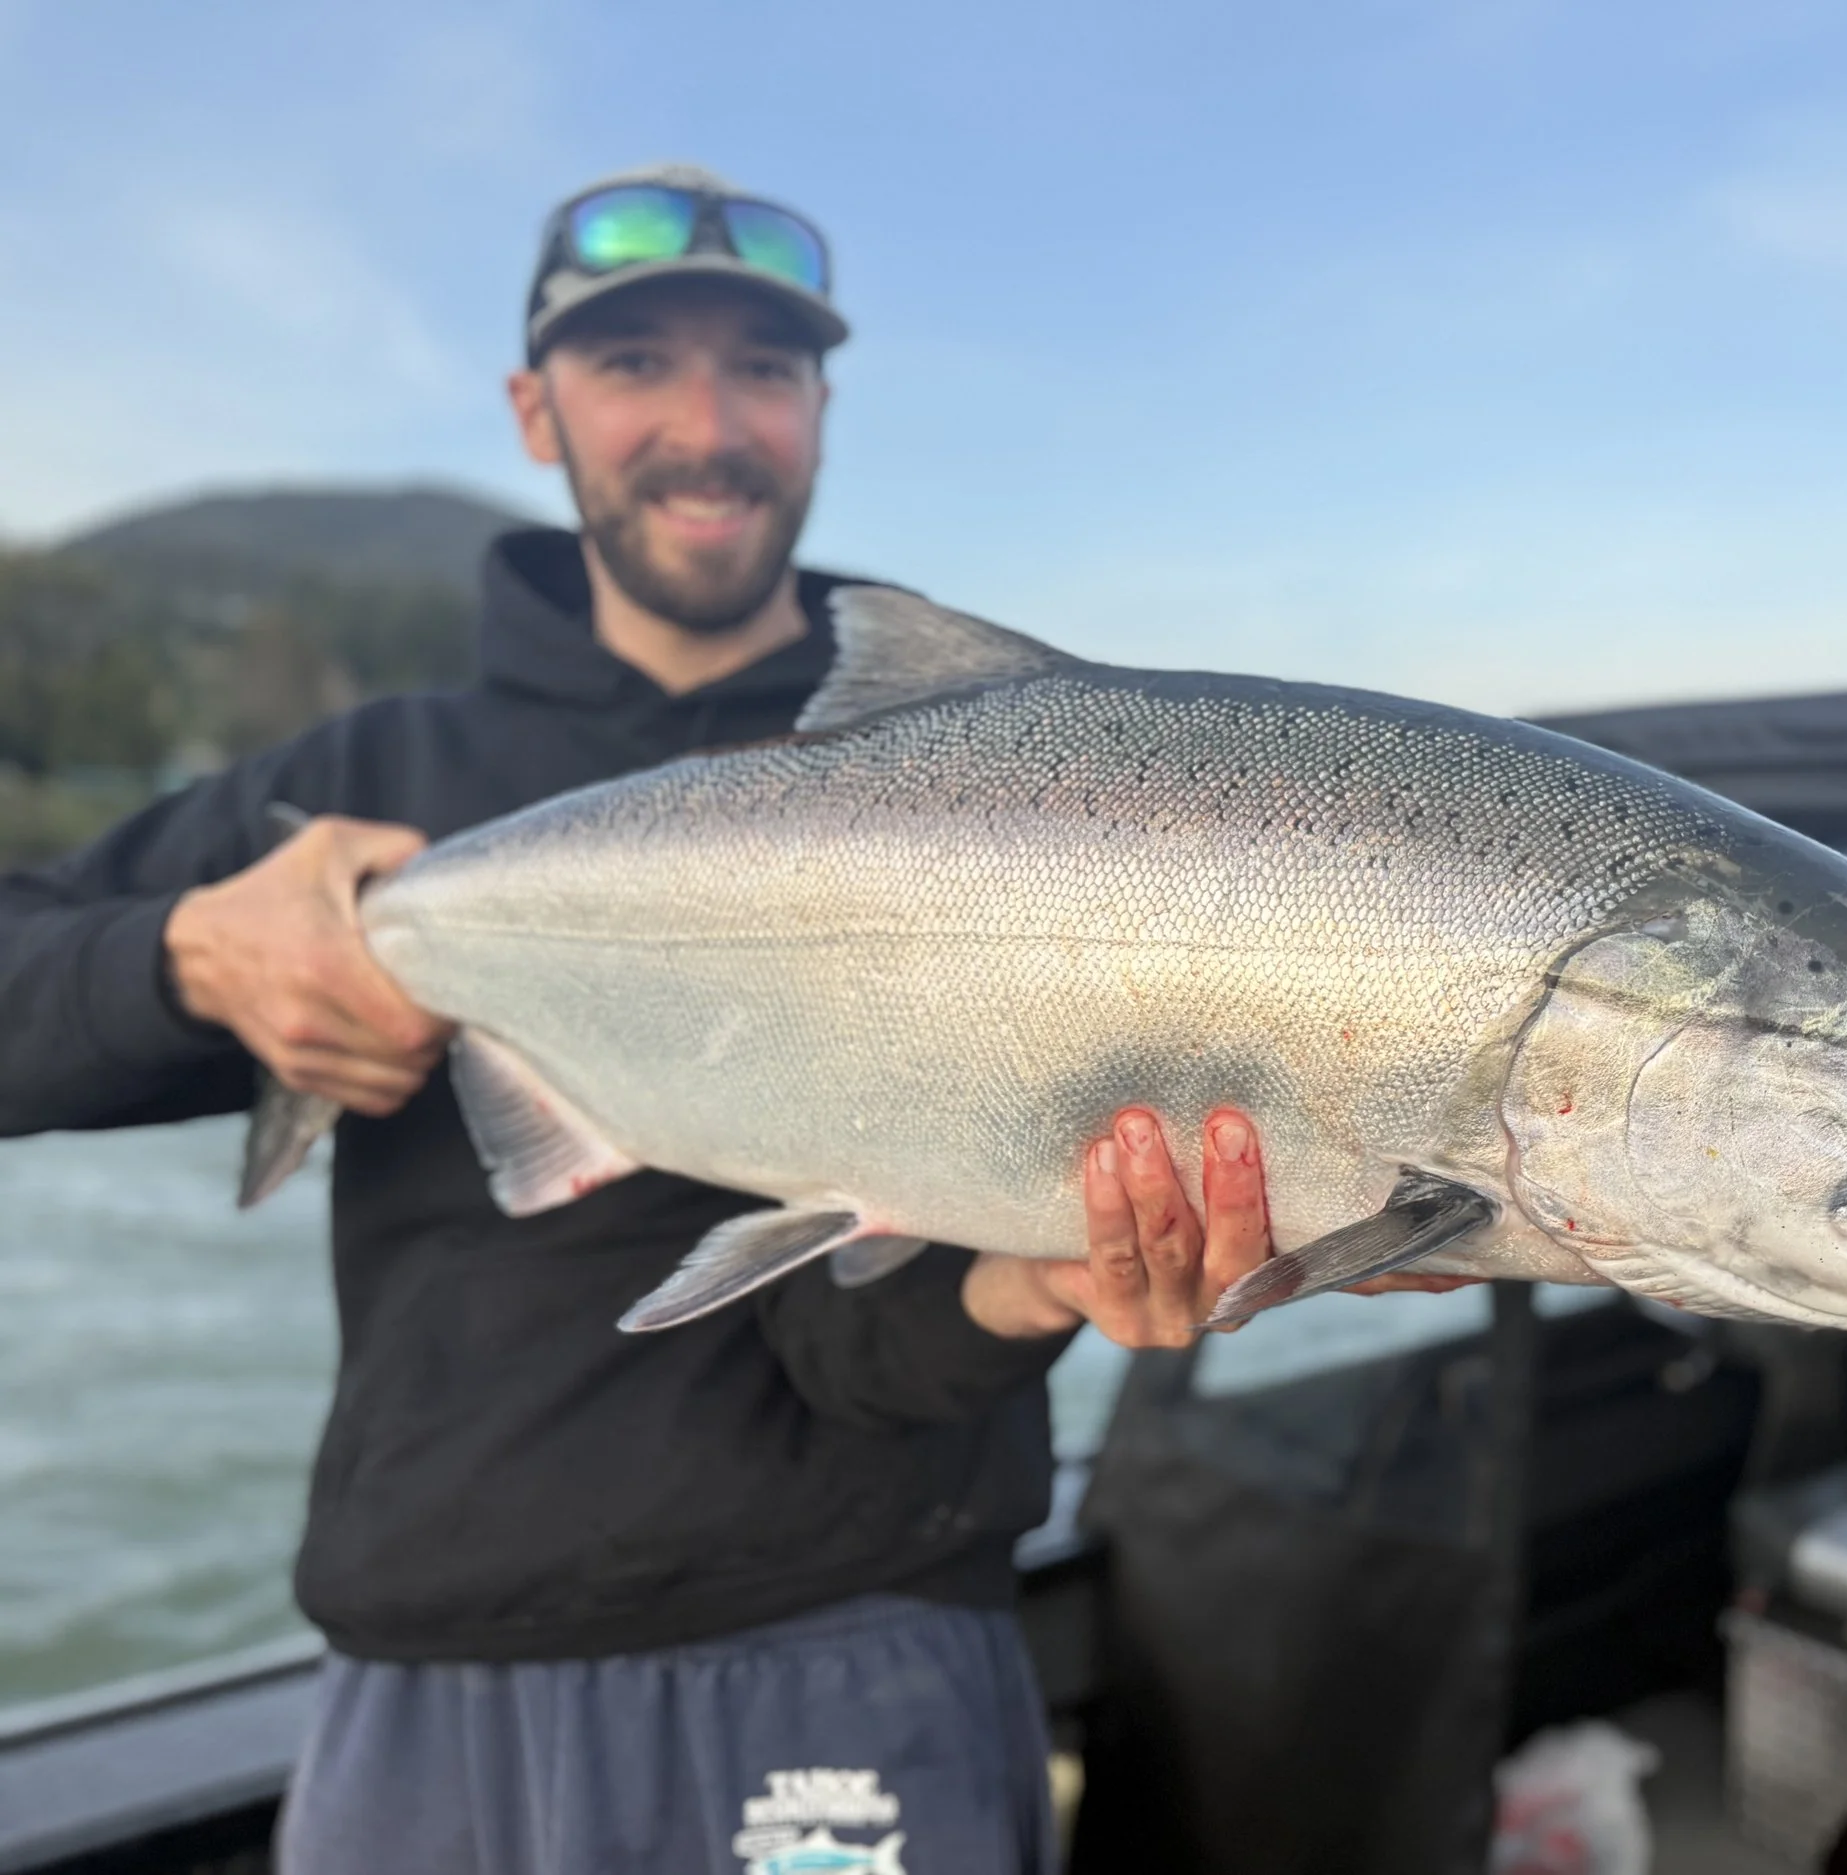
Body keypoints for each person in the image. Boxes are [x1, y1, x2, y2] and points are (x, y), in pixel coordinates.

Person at [0, 164, 1452, 1874]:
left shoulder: (1020, 790)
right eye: (635, 367)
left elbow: (871, 1342)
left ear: (822, 409)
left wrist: (1038, 1282)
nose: (709, 423)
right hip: (432, 1681)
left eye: (763, 367)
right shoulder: (366, 785)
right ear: (536, 413)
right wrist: (184, 954)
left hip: (865, 1637)